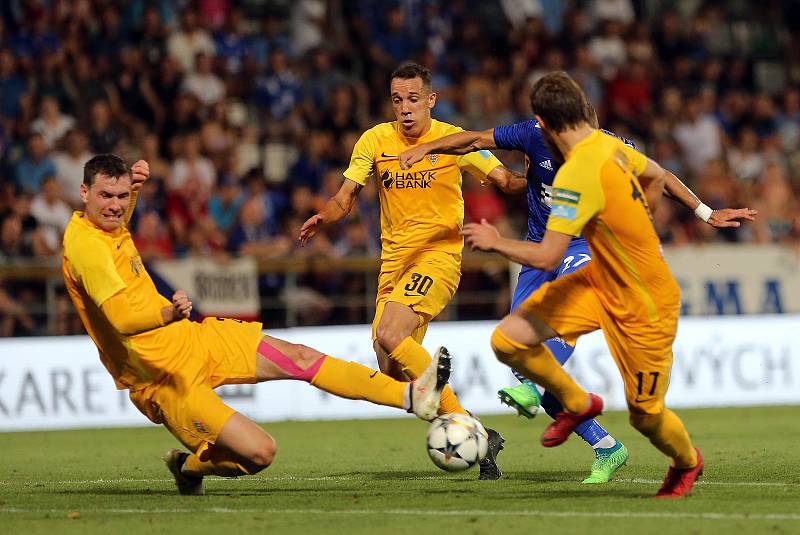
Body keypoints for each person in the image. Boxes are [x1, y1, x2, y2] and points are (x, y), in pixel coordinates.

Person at [399, 96, 756, 486]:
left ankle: (535, 387)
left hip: (583, 246)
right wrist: (427, 147)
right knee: (523, 359)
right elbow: (475, 140)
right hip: (539, 251)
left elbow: (661, 176)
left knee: (558, 327)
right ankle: (606, 446)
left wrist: (705, 212)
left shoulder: (606, 148)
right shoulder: (530, 134)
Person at [62, 154, 452, 496]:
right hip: (165, 380)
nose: (115, 206)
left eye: (120, 196)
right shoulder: (86, 248)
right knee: (258, 453)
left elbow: (120, 217)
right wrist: (166, 313)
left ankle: (411, 396)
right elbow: (122, 320)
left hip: (194, 338)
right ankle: (190, 467)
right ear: (84, 193)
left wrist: (134, 192)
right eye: (105, 196)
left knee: (301, 357)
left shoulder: (108, 224)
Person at [458, 71, 707, 497]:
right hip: (596, 281)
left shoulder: (577, 174)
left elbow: (548, 256)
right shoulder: (607, 146)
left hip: (643, 299)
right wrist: (696, 212)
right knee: (509, 341)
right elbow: (658, 176)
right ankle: (576, 404)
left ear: (543, 124)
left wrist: (497, 242)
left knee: (646, 416)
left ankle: (687, 462)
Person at [299, 63, 525, 480]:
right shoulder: (374, 140)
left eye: (414, 99)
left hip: (437, 259)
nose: (405, 108)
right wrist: (323, 217)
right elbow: (345, 198)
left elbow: (506, 181)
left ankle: (443, 387)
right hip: (393, 268)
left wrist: (541, 172)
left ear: (431, 100)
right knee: (392, 373)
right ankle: (478, 432)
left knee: (390, 334)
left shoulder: (453, 140)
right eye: (398, 100)